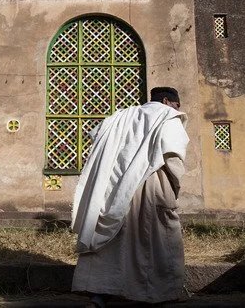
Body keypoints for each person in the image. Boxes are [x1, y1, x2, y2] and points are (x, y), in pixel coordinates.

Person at [71, 87, 190, 306]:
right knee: (156, 238)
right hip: (152, 183)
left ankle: (98, 293)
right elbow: (173, 157)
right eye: (176, 104)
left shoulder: (120, 117)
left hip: (113, 185)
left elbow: (97, 137)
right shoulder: (167, 116)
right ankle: (157, 294)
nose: (177, 108)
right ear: (167, 101)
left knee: (113, 241)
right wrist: (174, 186)